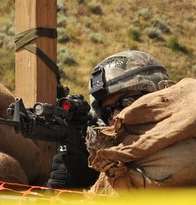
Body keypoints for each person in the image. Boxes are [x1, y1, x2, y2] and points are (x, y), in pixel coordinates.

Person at [44, 50, 171, 190]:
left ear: (158, 96)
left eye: (126, 103)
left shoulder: (187, 150)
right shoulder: (115, 164)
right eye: (107, 111)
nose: (115, 116)